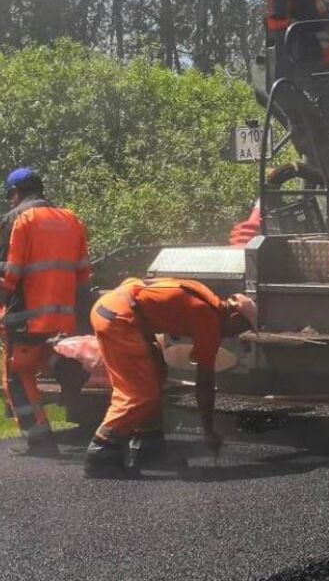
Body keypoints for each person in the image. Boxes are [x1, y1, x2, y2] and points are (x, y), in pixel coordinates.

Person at [83, 278, 257, 478]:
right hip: (119, 319)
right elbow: (205, 382)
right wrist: (208, 431)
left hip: (115, 308)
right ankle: (101, 454)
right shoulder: (209, 318)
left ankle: (149, 448)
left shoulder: (204, 296)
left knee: (156, 375)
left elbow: (141, 284)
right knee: (140, 394)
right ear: (235, 316)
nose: (235, 336)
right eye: (240, 328)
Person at [0, 168, 90, 457]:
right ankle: (63, 366)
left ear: (16, 193)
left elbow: (8, 273)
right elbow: (83, 274)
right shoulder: (70, 219)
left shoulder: (17, 219)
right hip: (62, 313)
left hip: (24, 313)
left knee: (15, 374)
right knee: (35, 358)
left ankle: (39, 439)